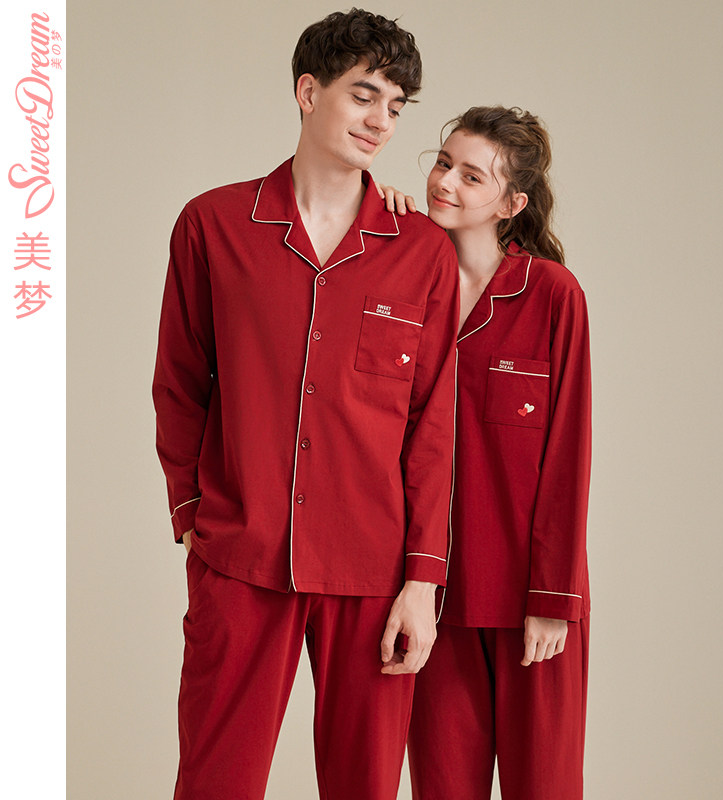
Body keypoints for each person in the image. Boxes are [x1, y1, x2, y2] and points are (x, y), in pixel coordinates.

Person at [151, 9, 459, 800]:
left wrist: (422, 581)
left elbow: (433, 425)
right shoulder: (213, 225)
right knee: (215, 782)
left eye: (397, 106)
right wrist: (192, 511)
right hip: (240, 554)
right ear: (308, 91)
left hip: (375, 569)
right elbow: (180, 380)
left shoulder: (421, 250)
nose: (381, 120)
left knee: (365, 787)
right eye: (364, 95)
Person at [379, 106, 591, 799]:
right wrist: (375, 218)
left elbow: (568, 453)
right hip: (430, 594)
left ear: (511, 204)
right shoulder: (404, 283)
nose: (445, 183)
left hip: (530, 595)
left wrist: (554, 597)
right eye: (443, 164)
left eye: (472, 176)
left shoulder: (551, 295)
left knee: (545, 788)